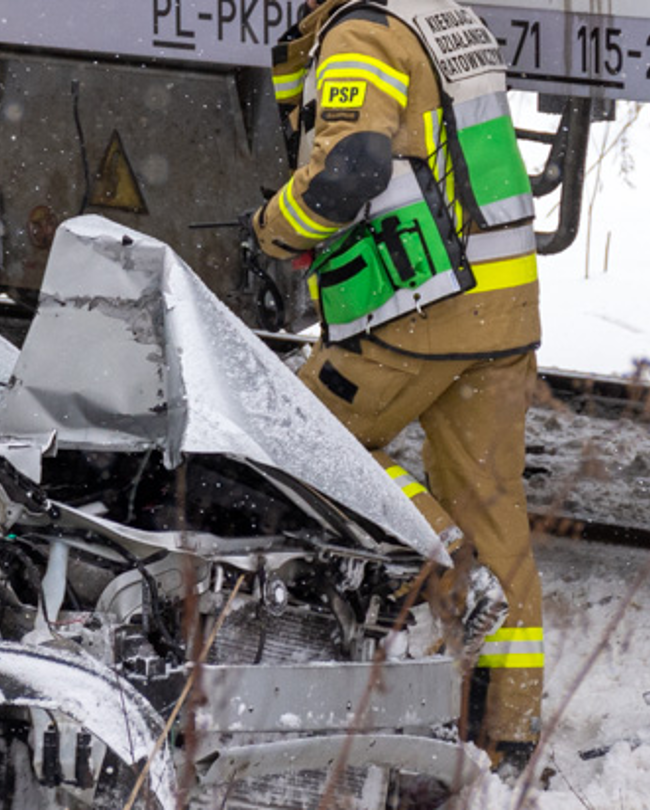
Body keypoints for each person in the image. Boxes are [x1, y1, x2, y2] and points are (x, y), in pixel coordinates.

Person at [252, 0, 545, 771]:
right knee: (495, 509)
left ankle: (449, 570)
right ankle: (505, 731)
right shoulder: (448, 15)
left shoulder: (363, 32)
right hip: (505, 307)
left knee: (299, 447)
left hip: (418, 308)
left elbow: (351, 169)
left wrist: (273, 229)